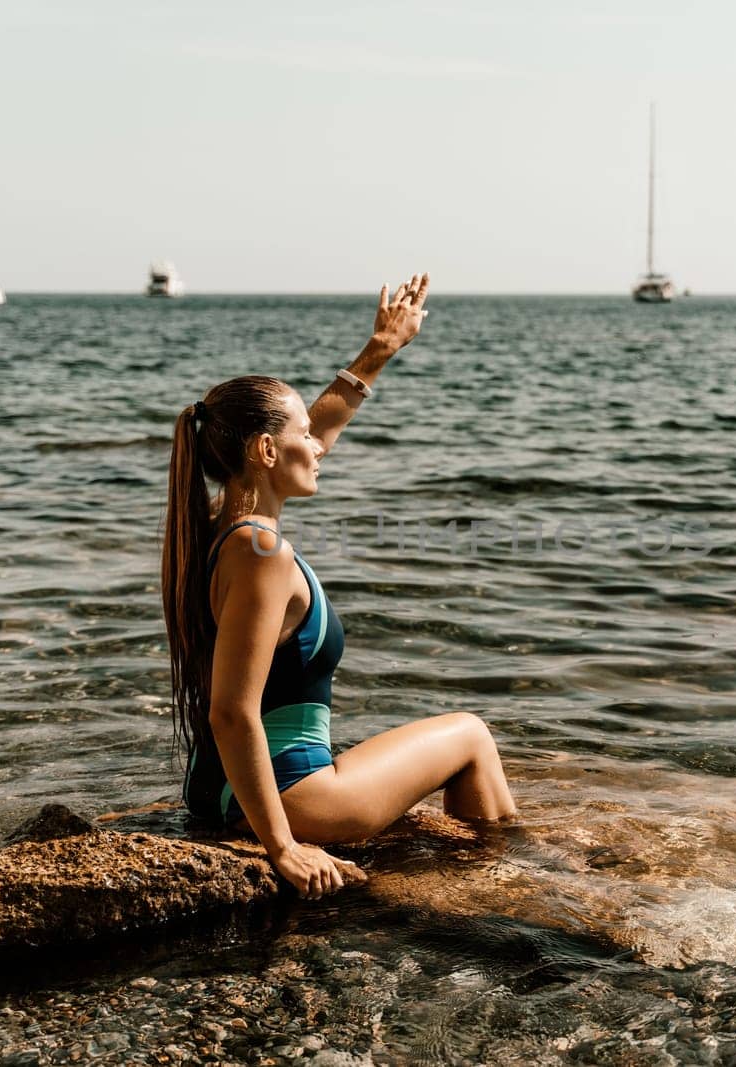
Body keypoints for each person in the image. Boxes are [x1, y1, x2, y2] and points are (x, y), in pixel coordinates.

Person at [162, 274, 517, 900]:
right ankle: (497, 888)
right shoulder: (260, 551)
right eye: (301, 437)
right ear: (268, 452)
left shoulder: (213, 527)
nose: (319, 447)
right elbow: (231, 711)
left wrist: (380, 350)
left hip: (217, 785)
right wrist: (284, 848)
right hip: (294, 794)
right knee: (470, 734)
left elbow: (318, 431)